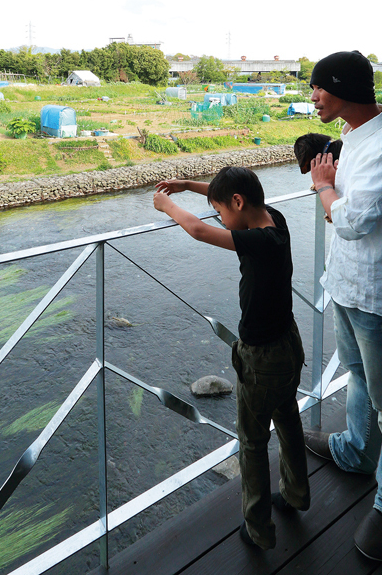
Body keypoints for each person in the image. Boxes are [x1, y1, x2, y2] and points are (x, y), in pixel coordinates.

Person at [307, 50, 382, 562]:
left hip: (380, 296)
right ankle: (357, 450)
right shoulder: (354, 135)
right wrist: (331, 185)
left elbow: (352, 221)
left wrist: (323, 187)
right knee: (358, 375)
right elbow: (350, 208)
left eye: (319, 87)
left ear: (345, 89)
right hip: (350, 284)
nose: (313, 96)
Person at [153, 166, 310, 550]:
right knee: (287, 417)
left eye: (221, 211)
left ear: (238, 203)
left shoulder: (257, 241)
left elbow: (198, 230)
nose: (220, 218)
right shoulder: (275, 220)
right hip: (289, 342)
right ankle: (296, 494)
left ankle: (258, 530)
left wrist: (166, 204)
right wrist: (188, 185)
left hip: (262, 357)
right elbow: (231, 195)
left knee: (253, 443)